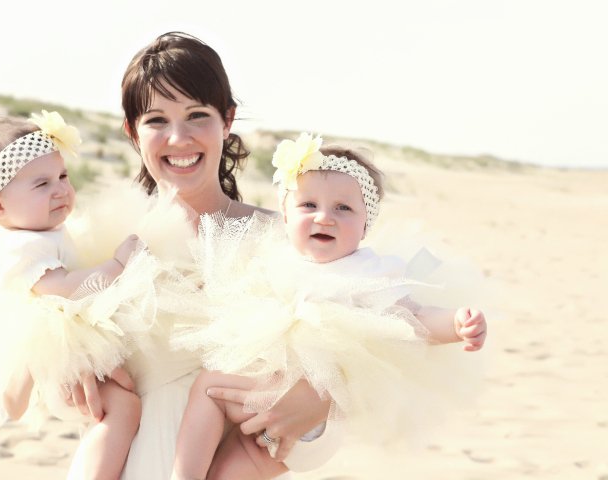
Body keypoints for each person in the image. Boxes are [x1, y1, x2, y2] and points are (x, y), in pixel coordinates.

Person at [66, 32, 335, 479]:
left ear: (227, 120)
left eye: (197, 115)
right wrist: (68, 361)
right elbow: (34, 352)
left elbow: (357, 345)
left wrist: (319, 398)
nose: (179, 138)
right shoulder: (103, 243)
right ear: (132, 131)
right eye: (157, 120)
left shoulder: (282, 238)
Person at [170, 133, 488, 479]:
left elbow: (412, 317)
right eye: (309, 205)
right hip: (260, 393)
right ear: (286, 216)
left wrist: (456, 324)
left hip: (308, 410)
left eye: (343, 208)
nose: (324, 217)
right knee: (222, 445)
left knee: (213, 397)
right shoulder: (274, 258)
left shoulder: (368, 271)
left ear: (365, 226)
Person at [0, 111, 148, 480]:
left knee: (117, 402)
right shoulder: (24, 246)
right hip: (56, 348)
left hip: (65, 341)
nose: (61, 189)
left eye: (63, 176)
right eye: (42, 184)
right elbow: (64, 290)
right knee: (123, 407)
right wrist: (116, 266)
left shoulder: (39, 232)